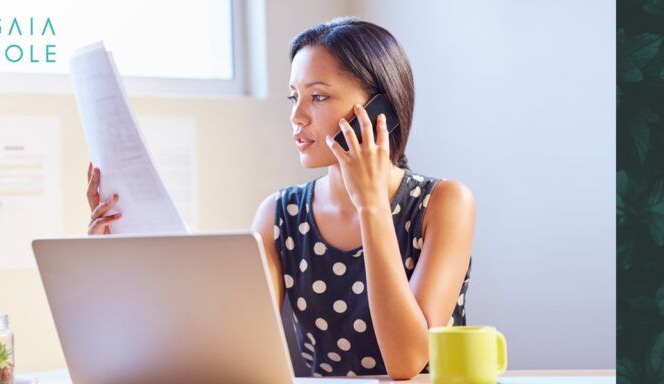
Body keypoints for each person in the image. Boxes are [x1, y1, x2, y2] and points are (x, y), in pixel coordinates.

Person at [86, 17, 474, 380]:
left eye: (318, 97)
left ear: (380, 111)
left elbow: (407, 361)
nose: (297, 117)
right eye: (294, 98)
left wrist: (371, 205)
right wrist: (118, 256)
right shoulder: (279, 214)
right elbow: (227, 350)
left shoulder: (444, 203)